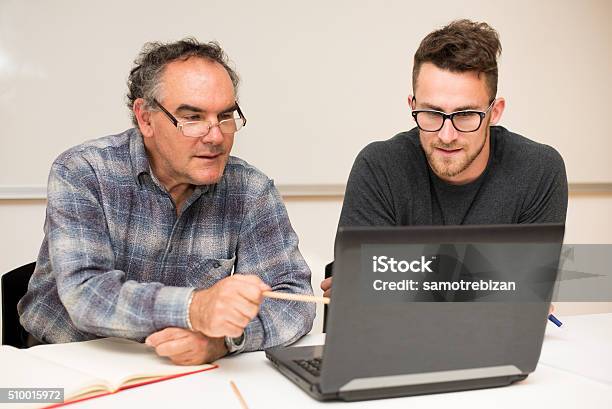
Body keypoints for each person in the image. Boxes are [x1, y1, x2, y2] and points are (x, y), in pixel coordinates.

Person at [18, 39, 315, 365]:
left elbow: (293, 300)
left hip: (182, 368)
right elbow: (88, 293)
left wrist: (223, 341)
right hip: (67, 360)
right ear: (145, 118)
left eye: (226, 115)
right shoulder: (83, 172)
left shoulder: (251, 190)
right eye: (192, 117)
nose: (216, 136)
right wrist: (194, 308)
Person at [321, 20, 568, 297]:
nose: (447, 135)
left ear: (495, 111)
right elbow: (361, 297)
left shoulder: (538, 170)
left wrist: (398, 279)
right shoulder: (379, 166)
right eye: (432, 113)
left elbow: (528, 293)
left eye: (465, 115)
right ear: (412, 106)